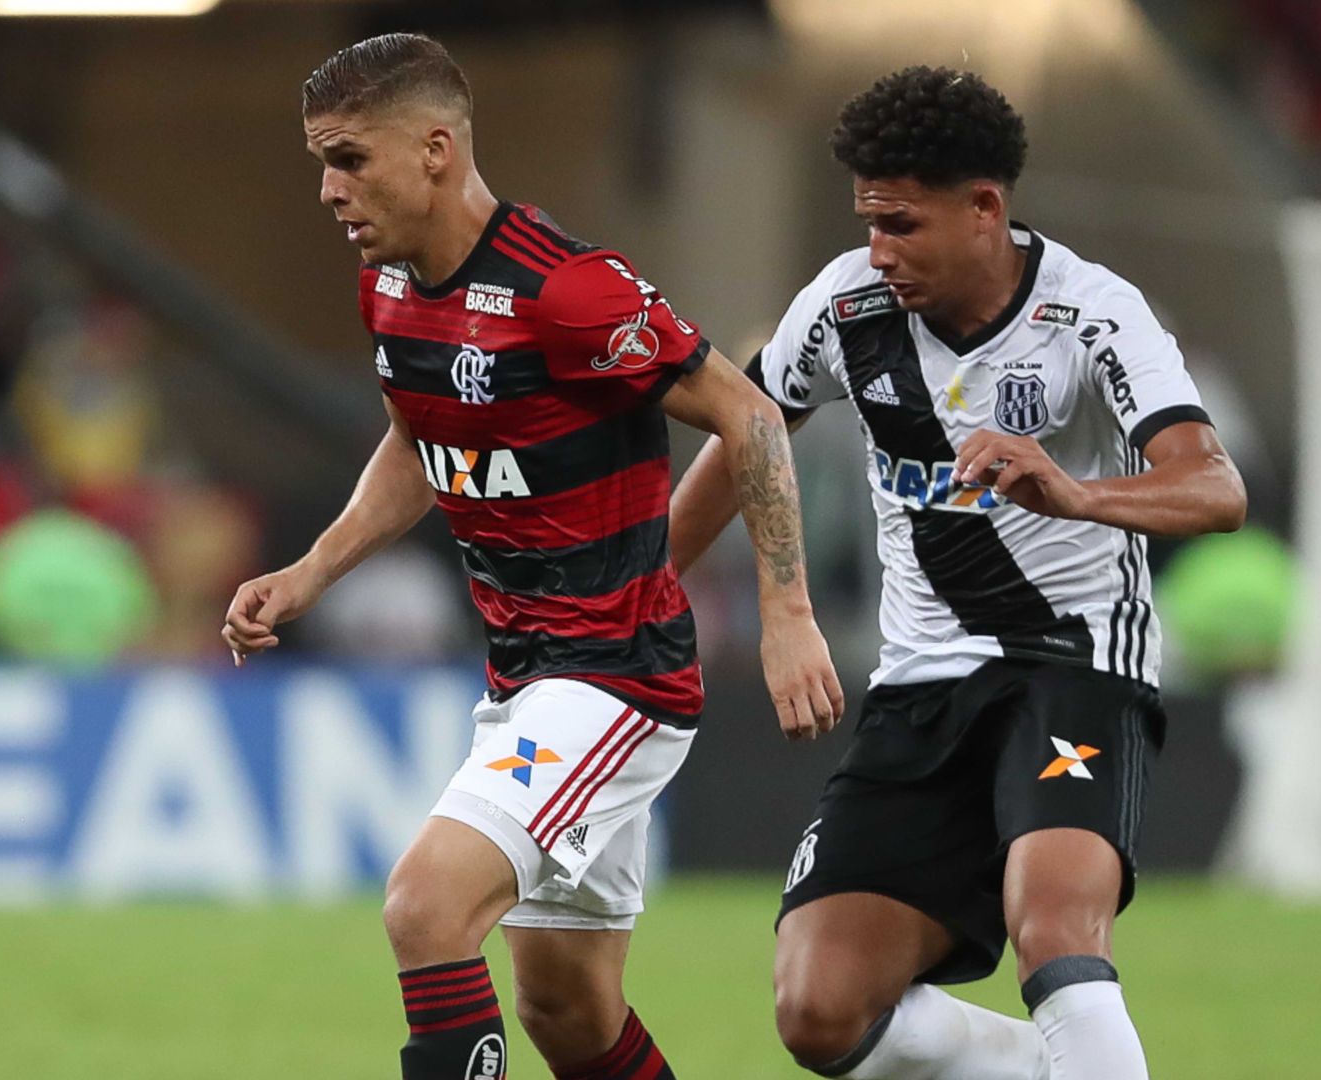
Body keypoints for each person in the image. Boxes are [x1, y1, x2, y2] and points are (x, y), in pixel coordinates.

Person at [220, 33, 843, 1080]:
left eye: (348, 158)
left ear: (433, 149)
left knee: (426, 906)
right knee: (566, 1010)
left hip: (614, 676)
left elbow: (749, 415)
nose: (329, 190)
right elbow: (423, 438)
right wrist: (312, 572)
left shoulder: (567, 291)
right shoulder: (391, 289)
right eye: (321, 161)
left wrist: (786, 615)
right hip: (524, 678)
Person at [670, 67, 1248, 1080]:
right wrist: (650, 591)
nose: (879, 252)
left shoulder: (1092, 314)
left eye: (902, 225)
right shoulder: (844, 307)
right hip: (922, 686)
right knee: (819, 1011)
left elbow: (1213, 487)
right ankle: (1057, 1068)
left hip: (1074, 669)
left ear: (985, 207)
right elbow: (747, 429)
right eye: (869, 224)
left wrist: (1077, 494)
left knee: (1054, 925)